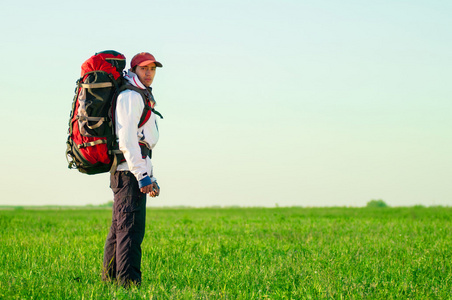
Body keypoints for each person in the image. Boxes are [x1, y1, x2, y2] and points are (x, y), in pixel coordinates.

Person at [102, 52, 163, 287]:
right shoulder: (130, 95)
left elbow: (142, 142)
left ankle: (110, 282)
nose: (149, 73)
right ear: (134, 69)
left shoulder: (140, 94)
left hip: (131, 171)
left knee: (120, 229)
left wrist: (150, 176)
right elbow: (127, 140)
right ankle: (128, 284)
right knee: (130, 231)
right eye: (144, 69)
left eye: (153, 69)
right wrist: (142, 176)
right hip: (129, 173)